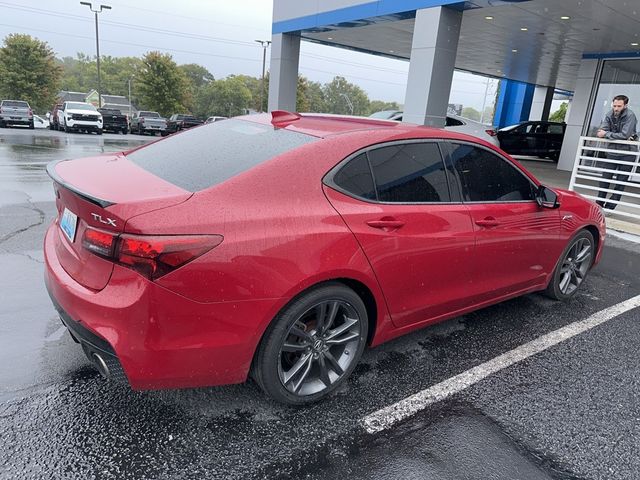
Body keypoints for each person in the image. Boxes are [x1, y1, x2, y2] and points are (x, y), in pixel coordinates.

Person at [595, 94, 638, 210]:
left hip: (627, 154)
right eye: (614, 105)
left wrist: (607, 135)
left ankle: (610, 207)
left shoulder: (630, 116)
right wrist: (607, 134)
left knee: (620, 182)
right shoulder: (609, 114)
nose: (616, 108)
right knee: (605, 179)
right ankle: (599, 204)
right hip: (612, 152)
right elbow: (601, 131)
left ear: (625, 105)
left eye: (619, 106)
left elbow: (625, 135)